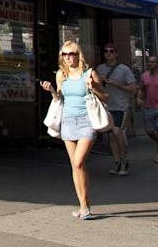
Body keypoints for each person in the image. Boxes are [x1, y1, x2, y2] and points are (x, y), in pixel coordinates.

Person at [40, 40, 105, 220]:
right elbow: (59, 98)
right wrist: (52, 90)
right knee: (76, 166)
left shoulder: (89, 73)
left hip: (86, 122)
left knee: (78, 162)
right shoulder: (62, 74)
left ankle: (85, 205)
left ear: (79, 55)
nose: (68, 57)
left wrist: (95, 88)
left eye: (72, 54)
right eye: (65, 54)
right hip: (68, 122)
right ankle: (84, 205)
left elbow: (105, 97)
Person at [95, 43, 137, 176]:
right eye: (106, 51)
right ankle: (117, 162)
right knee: (112, 136)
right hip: (106, 107)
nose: (108, 53)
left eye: (111, 51)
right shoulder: (100, 68)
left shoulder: (124, 69)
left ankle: (124, 160)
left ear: (116, 54)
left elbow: (133, 89)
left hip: (120, 107)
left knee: (117, 132)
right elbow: (95, 87)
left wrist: (115, 84)